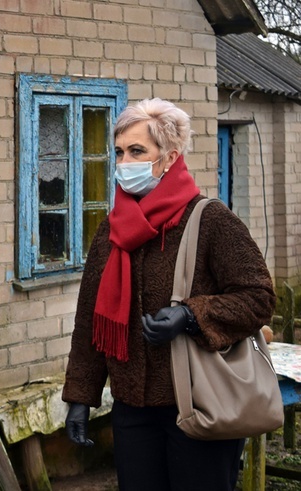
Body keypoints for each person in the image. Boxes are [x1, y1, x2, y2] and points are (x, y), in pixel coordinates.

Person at [62, 98, 275, 490]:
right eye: (120, 152)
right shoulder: (112, 229)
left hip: (200, 402)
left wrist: (190, 316)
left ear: (170, 157)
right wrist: (81, 396)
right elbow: (90, 316)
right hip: (132, 409)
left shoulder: (211, 219)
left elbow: (259, 296)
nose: (124, 162)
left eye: (137, 151)